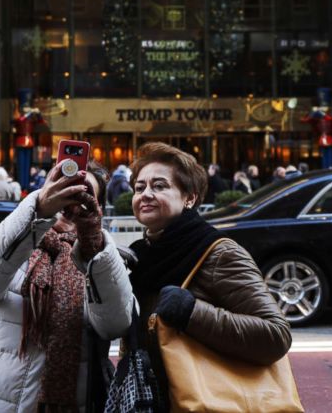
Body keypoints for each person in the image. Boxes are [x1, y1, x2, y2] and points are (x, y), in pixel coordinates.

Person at [126, 142, 293, 404]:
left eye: (159, 186)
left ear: (189, 198)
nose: (145, 194)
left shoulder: (218, 252)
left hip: (209, 401)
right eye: (139, 187)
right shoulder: (140, 257)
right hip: (153, 399)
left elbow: (276, 336)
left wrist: (192, 312)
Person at [0, 161, 131, 412]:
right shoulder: (14, 246)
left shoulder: (104, 261)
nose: (71, 199)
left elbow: (115, 324)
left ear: (99, 209)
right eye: (65, 187)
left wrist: (93, 242)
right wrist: (38, 210)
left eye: (84, 193)